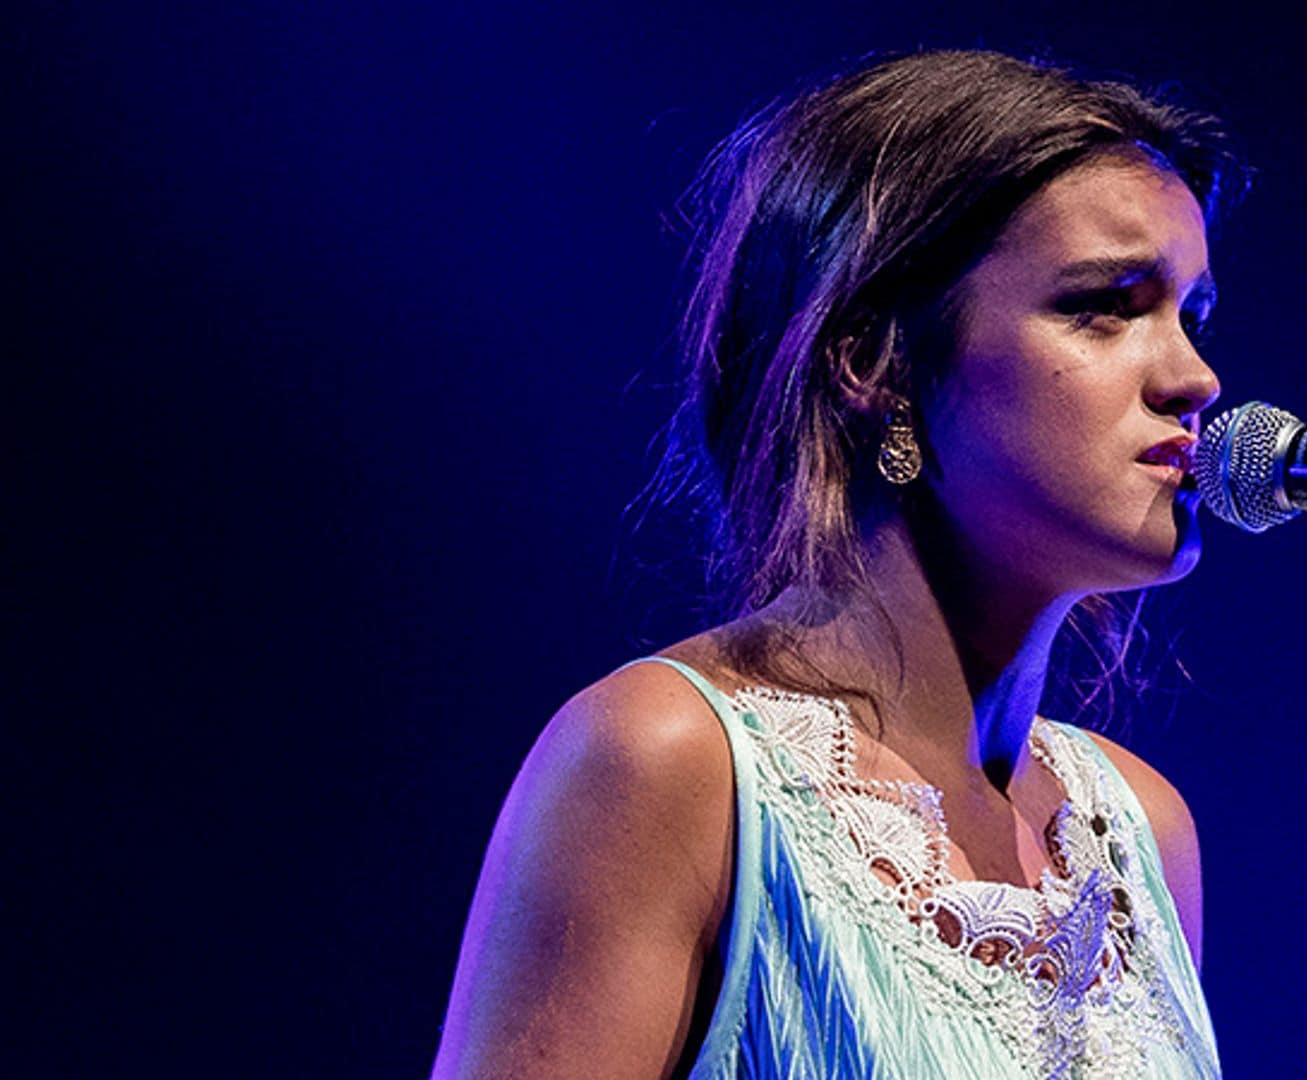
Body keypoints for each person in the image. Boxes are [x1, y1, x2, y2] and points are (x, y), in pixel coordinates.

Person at [432, 48, 1241, 1078]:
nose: (1194, 377)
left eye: (1192, 316)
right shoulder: (672, 761)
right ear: (873, 360)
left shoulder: (1140, 837)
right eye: (1103, 306)